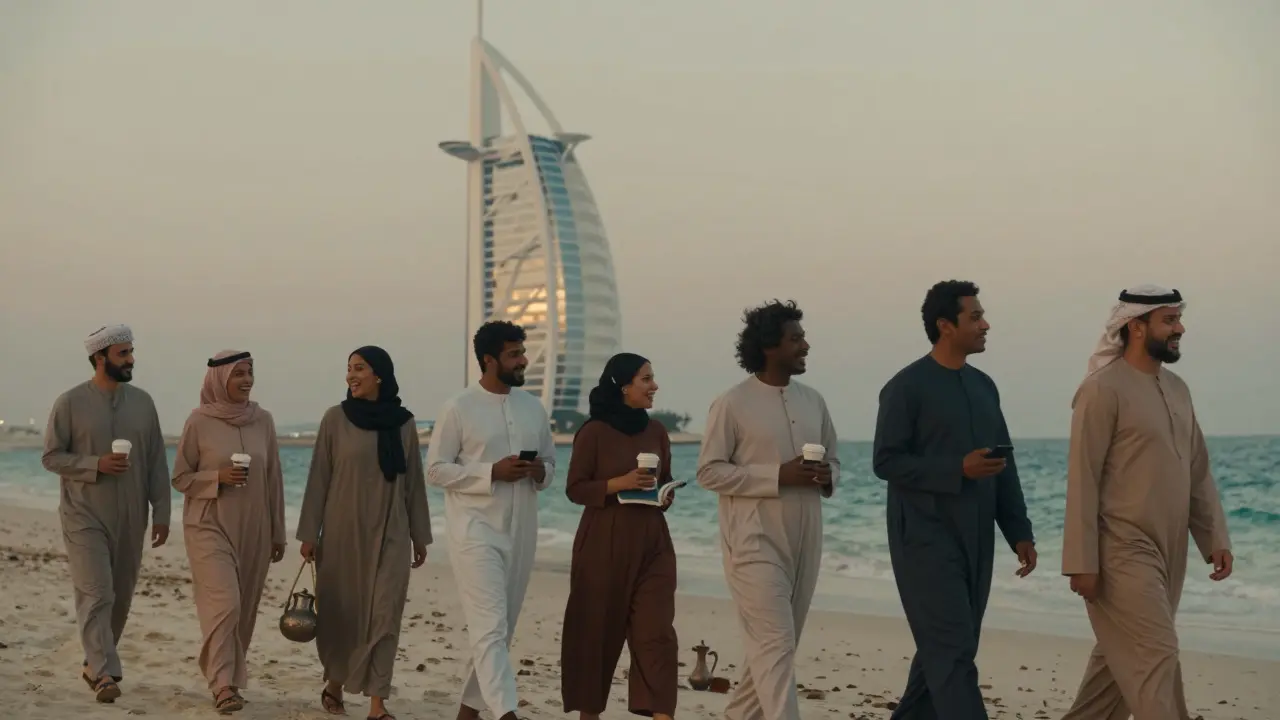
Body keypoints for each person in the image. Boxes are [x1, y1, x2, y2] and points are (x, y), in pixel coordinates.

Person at [1060, 285, 1233, 720]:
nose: (1180, 329)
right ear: (1136, 327)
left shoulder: (1177, 389)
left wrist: (1214, 537)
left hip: (1167, 550)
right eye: (1169, 321)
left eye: (1178, 319)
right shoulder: (1102, 390)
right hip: (1119, 548)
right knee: (1157, 654)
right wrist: (1082, 560)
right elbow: (1082, 479)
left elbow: (1197, 470)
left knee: (1114, 678)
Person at [871, 280, 1036, 720]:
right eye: (975, 317)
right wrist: (955, 469)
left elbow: (1005, 465)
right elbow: (886, 461)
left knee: (942, 655)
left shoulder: (984, 386)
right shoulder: (905, 387)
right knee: (953, 652)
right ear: (945, 326)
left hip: (976, 538)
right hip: (924, 539)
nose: (986, 325)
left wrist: (1019, 531)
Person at [695, 299, 839, 720]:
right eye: (796, 339)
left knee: (777, 646)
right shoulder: (732, 403)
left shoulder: (814, 401)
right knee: (775, 644)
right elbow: (709, 472)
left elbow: (836, 461)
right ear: (770, 347)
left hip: (806, 539)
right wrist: (777, 476)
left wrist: (826, 476)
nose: (806, 346)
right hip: (753, 541)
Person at [425, 320, 555, 720]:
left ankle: (468, 711)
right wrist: (490, 473)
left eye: (522, 352)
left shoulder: (533, 407)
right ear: (489, 360)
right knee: (489, 629)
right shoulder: (458, 407)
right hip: (475, 532)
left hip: (522, 533)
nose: (523, 361)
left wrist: (538, 473)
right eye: (514, 354)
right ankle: (506, 713)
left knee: (501, 629)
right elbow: (435, 470)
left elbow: (551, 465)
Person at [296, 346, 432, 720]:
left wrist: (420, 534)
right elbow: (318, 479)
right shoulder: (335, 420)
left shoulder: (403, 424)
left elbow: (414, 484)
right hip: (342, 532)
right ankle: (335, 683)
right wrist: (310, 532)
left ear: (380, 375)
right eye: (348, 369)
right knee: (343, 614)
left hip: (392, 531)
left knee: (385, 615)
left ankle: (377, 704)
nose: (351, 375)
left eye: (359, 368)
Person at [41, 324, 171, 703]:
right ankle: (103, 672)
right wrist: (96, 464)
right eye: (123, 354)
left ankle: (94, 662)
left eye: (131, 352)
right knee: (97, 592)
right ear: (100, 358)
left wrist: (161, 511)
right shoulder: (69, 402)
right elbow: (51, 457)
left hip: (132, 516)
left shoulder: (144, 403)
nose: (131, 360)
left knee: (120, 595)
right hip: (84, 515)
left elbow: (156, 462)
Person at [560, 353, 680, 720]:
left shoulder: (657, 431)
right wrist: (619, 484)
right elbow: (575, 489)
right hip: (603, 540)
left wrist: (665, 493)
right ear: (623, 385)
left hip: (653, 541)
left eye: (652, 378)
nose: (654, 386)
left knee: (657, 634)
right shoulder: (593, 432)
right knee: (596, 634)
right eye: (646, 379)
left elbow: (665, 482)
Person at [171, 350, 287, 713]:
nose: (247, 380)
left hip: (254, 526)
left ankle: (230, 680)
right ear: (220, 379)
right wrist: (216, 477)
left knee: (245, 608)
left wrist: (278, 531)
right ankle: (222, 684)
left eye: (250, 372)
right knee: (226, 604)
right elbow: (180, 477)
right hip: (208, 523)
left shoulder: (263, 421)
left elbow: (274, 480)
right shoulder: (198, 422)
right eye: (238, 374)